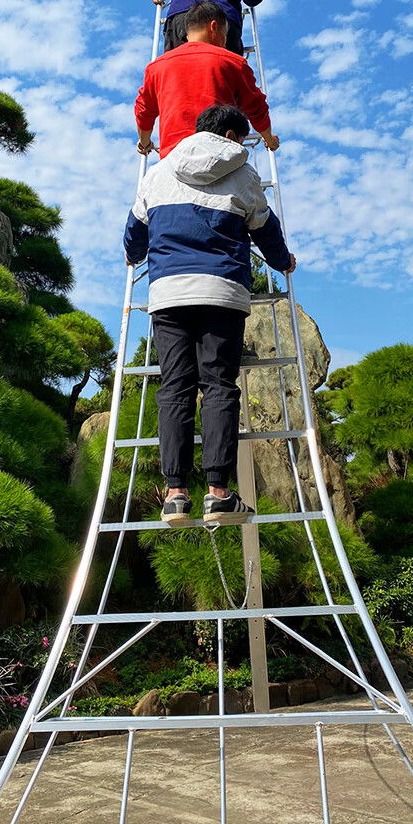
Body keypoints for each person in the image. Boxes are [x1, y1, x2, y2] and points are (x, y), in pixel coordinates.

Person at [124, 103, 296, 526]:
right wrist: (284, 261)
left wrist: (134, 255)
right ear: (234, 137)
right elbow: (266, 228)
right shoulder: (244, 174)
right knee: (218, 384)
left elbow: (133, 236)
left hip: (168, 293)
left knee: (175, 388)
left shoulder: (158, 172)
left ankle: (175, 494)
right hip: (221, 291)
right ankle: (219, 493)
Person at [134, 0, 279, 159]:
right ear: (214, 27)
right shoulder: (233, 62)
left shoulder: (156, 67)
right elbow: (256, 107)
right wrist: (269, 138)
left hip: (175, 161)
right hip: (221, 159)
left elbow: (144, 111)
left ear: (188, 33)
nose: (224, 42)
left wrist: (144, 142)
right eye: (225, 34)